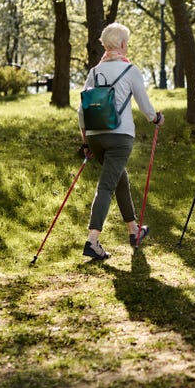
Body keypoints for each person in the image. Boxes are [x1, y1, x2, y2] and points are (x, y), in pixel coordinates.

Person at [78, 23, 164, 261]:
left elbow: (81, 110)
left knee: (119, 179)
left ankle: (134, 230)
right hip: (120, 137)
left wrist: (86, 141)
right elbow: (146, 108)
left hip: (96, 137)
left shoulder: (94, 72)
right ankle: (92, 240)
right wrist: (156, 118)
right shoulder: (131, 71)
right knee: (106, 186)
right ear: (123, 44)